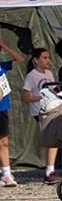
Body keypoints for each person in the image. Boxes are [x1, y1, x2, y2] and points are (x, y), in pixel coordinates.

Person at [21, 47, 62, 184]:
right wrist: (40, 97)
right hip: (40, 111)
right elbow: (25, 97)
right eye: (44, 58)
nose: (47, 61)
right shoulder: (31, 76)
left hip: (52, 108)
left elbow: (52, 90)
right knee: (51, 138)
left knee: (54, 138)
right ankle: (49, 171)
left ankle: (51, 169)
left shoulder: (49, 73)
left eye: (48, 57)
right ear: (36, 60)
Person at [0, 40, 26, 186]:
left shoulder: (2, 66)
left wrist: (5, 46)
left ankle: (6, 174)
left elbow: (20, 59)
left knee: (4, 141)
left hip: (2, 108)